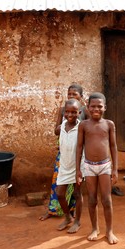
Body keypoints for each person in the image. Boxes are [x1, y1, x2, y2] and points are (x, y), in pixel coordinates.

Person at [39, 84, 87, 221]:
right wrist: (65, 127)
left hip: (78, 155)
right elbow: (56, 130)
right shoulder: (62, 110)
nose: (71, 96)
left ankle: (74, 213)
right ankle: (54, 210)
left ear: (81, 97)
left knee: (76, 189)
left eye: (75, 94)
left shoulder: (84, 111)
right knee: (57, 185)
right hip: (64, 154)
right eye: (69, 94)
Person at [76, 92, 119, 245]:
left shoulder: (109, 124)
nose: (96, 109)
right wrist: (78, 170)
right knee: (92, 199)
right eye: (93, 106)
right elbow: (79, 147)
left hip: (105, 166)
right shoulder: (83, 125)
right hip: (89, 166)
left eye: (99, 106)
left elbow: (113, 146)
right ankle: (95, 228)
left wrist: (115, 169)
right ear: (87, 107)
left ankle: (109, 231)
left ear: (105, 108)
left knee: (107, 200)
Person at [56, 99, 84, 233]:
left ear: (79, 112)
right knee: (59, 193)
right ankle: (68, 217)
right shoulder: (62, 126)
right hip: (64, 165)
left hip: (77, 166)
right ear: (64, 113)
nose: (70, 114)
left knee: (77, 194)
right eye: (67, 112)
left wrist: (80, 169)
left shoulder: (81, 127)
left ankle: (77, 221)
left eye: (74, 112)